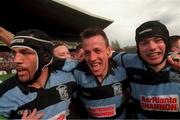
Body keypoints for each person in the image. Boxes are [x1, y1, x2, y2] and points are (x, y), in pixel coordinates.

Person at [0, 29, 76, 119]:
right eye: (14, 53)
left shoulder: (69, 77)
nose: (16, 60)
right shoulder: (4, 93)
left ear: (45, 56)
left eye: (25, 52)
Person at [112, 20, 180, 119]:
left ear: (166, 44)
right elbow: (109, 53)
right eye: (144, 43)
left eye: (157, 40)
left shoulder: (177, 64)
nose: (152, 47)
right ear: (138, 48)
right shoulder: (129, 61)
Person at [58, 27, 129, 119]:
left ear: (108, 51)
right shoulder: (76, 73)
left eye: (97, 50)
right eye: (87, 53)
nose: (92, 58)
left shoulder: (123, 70)